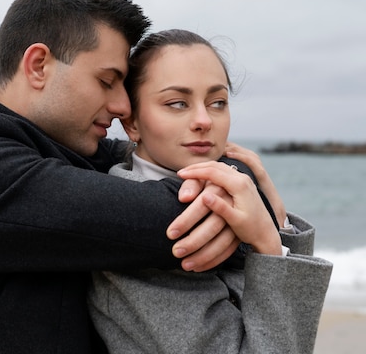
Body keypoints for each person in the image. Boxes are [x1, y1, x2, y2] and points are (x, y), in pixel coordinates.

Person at [0, 0, 264, 353]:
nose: (122, 106)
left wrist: (239, 177)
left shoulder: (66, 145)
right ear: (39, 65)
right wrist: (244, 204)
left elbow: (186, 160)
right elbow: (157, 217)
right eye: (107, 81)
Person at [88, 29, 333, 354]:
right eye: (177, 103)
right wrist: (268, 245)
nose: (204, 120)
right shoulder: (133, 224)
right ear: (132, 123)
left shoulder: (226, 189)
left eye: (218, 102)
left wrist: (274, 212)